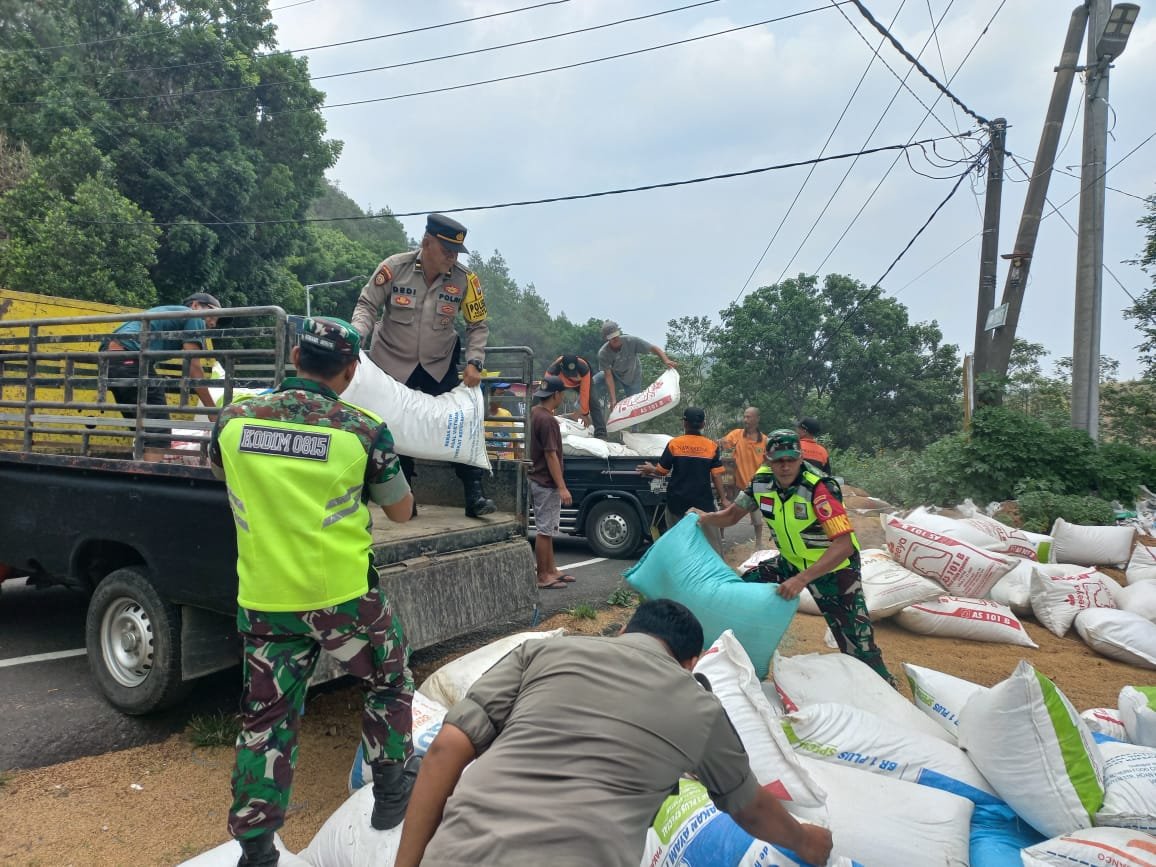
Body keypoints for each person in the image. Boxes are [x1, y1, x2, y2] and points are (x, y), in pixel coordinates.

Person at [393, 598, 833, 867]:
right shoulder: (701, 706)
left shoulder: (542, 651)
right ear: (692, 662)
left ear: (624, 631)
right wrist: (809, 842)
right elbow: (751, 808)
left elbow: (447, 746)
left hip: (457, 853)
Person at [209, 317, 419, 867]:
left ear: (295, 356)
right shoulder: (363, 429)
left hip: (264, 599)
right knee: (390, 678)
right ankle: (392, 794)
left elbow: (223, 473)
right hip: (343, 598)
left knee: (265, 719)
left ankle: (256, 848)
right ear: (349, 372)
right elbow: (401, 511)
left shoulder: (233, 419)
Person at [693, 429, 896, 686]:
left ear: (800, 458)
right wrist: (703, 517)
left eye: (791, 459)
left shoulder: (818, 488)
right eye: (779, 460)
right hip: (791, 561)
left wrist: (801, 580)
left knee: (857, 643)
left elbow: (843, 545)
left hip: (834, 570)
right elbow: (733, 516)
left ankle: (884, 688)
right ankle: (740, 659)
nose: (785, 466)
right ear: (768, 459)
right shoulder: (761, 482)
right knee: (744, 587)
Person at [350, 213, 495, 518]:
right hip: (390, 364)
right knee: (391, 427)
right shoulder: (394, 268)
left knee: (459, 420)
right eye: (446, 251)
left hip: (437, 365)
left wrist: (474, 362)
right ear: (427, 242)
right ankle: (405, 499)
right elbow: (367, 305)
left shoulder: (465, 280)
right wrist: (356, 336)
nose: (452, 258)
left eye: (457, 253)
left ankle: (475, 493)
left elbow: (478, 325)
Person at [102, 292, 222, 455]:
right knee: (159, 435)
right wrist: (211, 411)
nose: (214, 323)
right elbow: (193, 367)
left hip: (110, 363)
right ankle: (149, 477)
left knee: (144, 431)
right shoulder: (194, 317)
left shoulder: (169, 314)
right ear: (195, 305)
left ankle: (140, 470)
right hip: (129, 358)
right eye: (212, 313)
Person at [637, 407, 727, 555]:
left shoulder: (675, 444)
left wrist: (650, 468)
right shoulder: (712, 446)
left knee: (677, 543)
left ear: (684, 424)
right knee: (712, 546)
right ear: (703, 424)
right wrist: (723, 499)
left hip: (677, 503)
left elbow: (662, 471)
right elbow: (716, 475)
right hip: (703, 504)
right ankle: (715, 573)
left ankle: (679, 571)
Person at [528, 375, 574, 590]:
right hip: (545, 481)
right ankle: (543, 575)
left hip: (537, 477)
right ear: (556, 395)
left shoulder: (535, 413)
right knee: (545, 531)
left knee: (549, 528)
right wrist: (562, 486)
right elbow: (551, 455)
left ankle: (552, 569)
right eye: (562, 393)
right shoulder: (548, 420)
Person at [593, 320, 676, 437]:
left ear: (619, 333)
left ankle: (635, 433)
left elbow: (653, 348)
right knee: (593, 381)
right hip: (615, 374)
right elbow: (608, 375)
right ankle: (580, 411)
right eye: (612, 338)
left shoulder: (631, 341)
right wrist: (613, 399)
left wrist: (666, 360)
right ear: (607, 339)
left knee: (635, 405)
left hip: (633, 376)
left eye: (616, 336)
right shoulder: (604, 353)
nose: (615, 339)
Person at [719, 407, 769, 548]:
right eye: (745, 417)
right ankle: (721, 537)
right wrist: (721, 444)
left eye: (749, 417)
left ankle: (758, 543)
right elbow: (723, 444)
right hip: (735, 482)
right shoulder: (737, 434)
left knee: (757, 518)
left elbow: (767, 461)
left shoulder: (764, 440)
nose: (745, 420)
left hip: (754, 485)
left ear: (757, 419)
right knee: (725, 509)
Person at [543, 353, 597, 431]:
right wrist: (548, 414)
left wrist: (585, 414)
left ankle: (600, 431)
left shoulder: (584, 368)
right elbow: (547, 393)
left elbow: (584, 393)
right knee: (541, 393)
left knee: (592, 399)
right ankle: (534, 420)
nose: (572, 376)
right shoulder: (553, 370)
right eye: (570, 374)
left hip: (580, 382)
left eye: (573, 373)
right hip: (561, 381)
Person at [486, 381, 518, 460]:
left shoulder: (507, 414)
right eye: (499, 394)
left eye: (503, 394)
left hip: (508, 466)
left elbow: (515, 442)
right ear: (489, 395)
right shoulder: (480, 417)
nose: (502, 397)